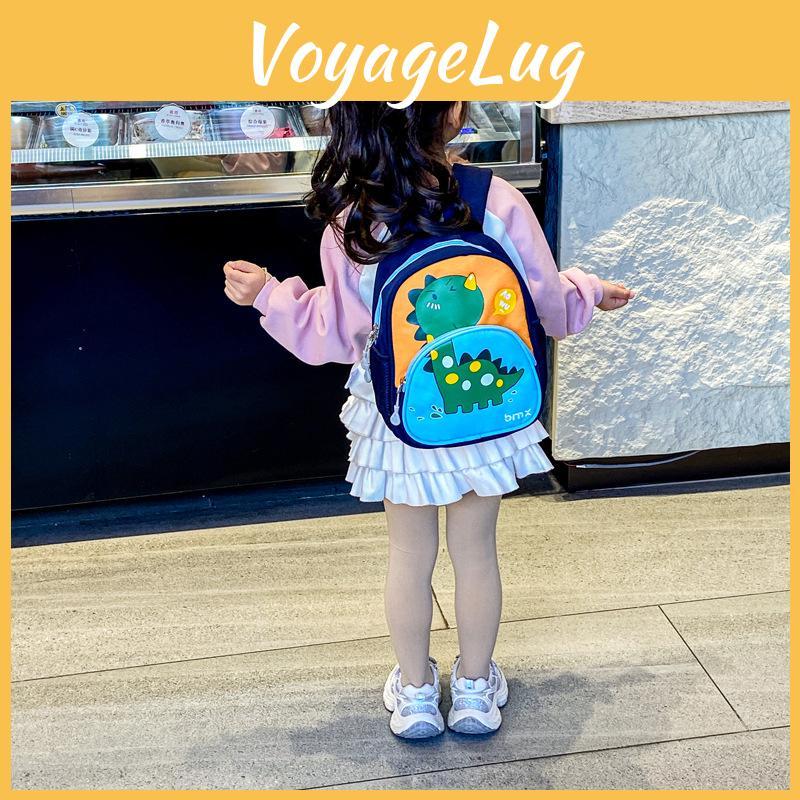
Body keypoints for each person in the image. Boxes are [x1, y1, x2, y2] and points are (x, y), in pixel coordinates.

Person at [222, 101, 634, 739]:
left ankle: (415, 694)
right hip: (487, 405)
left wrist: (270, 296)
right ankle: (474, 690)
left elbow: (335, 331)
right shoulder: (496, 199)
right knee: (476, 552)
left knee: (409, 556)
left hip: (402, 412)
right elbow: (545, 303)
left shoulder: (353, 218)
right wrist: (591, 291)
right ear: (453, 115)